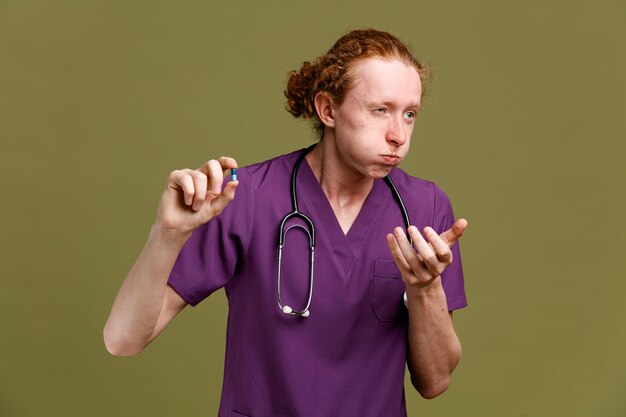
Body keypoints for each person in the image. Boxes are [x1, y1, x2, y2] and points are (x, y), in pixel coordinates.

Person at [104, 28, 468, 417]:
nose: (398, 135)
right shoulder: (247, 199)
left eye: (409, 114)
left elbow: (435, 382)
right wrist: (167, 235)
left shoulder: (425, 208)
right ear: (327, 109)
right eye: (380, 110)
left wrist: (425, 289)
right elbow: (122, 339)